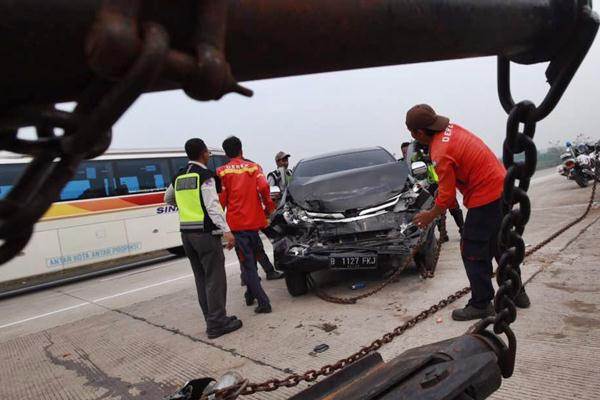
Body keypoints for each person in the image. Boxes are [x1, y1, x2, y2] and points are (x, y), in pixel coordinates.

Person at [406, 104, 530, 321]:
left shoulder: (440, 152)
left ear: (419, 132)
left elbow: (446, 196)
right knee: (499, 245)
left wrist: (429, 215)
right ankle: (517, 292)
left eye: (413, 134)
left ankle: (481, 303)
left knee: (471, 249)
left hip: (486, 196)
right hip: (502, 188)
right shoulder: (452, 130)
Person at [164, 138, 242, 339]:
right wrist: (227, 231)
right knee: (215, 278)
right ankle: (217, 323)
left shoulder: (179, 176)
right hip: (205, 235)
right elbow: (213, 206)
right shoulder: (205, 176)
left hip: (186, 235)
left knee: (201, 278)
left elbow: (168, 199)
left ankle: (211, 318)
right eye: (207, 152)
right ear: (203, 153)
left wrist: (186, 207)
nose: (208, 155)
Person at [218, 136, 276, 314]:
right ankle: (250, 295)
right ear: (241, 150)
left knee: (247, 264)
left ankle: (263, 303)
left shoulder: (222, 172)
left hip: (237, 225)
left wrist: (223, 228)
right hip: (254, 223)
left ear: (226, 153)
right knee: (254, 257)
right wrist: (268, 207)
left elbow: (221, 201)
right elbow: (265, 186)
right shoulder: (253, 167)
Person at [409, 140, 464, 241]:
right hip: (429, 184)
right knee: (436, 208)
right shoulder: (417, 156)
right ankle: (443, 233)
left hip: (443, 180)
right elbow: (415, 169)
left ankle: (462, 229)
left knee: (453, 206)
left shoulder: (439, 149)